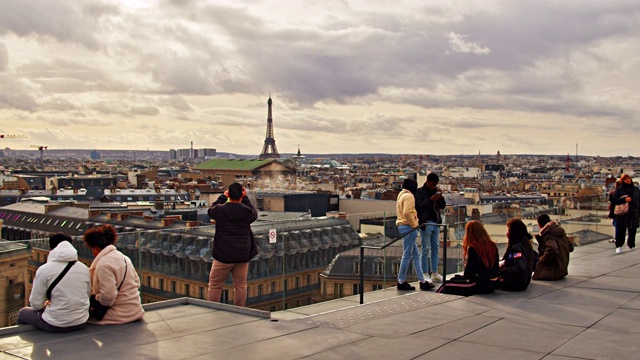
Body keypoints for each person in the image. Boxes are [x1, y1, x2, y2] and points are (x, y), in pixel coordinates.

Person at [18, 233, 90, 332]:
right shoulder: (83, 268)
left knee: (23, 313)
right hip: (81, 321)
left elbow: (35, 304)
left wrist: (47, 305)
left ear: (51, 248)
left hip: (55, 324)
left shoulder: (44, 269)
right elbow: (87, 294)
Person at [207, 182, 259, 306]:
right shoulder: (246, 212)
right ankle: (240, 310)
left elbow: (211, 209)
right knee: (240, 285)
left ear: (229, 194)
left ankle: (212, 309)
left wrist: (223, 197)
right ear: (241, 195)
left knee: (215, 285)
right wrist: (245, 197)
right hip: (242, 254)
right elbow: (254, 213)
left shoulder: (220, 210)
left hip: (223, 254)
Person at [83, 224, 144, 324]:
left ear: (96, 248)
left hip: (118, 315)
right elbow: (137, 283)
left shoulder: (104, 265)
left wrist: (95, 297)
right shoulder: (124, 258)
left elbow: (108, 297)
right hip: (135, 310)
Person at [436, 220, 499, 296]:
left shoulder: (474, 248)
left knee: (446, 285)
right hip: (492, 283)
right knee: (454, 279)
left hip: (479, 284)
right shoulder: (492, 246)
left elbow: (469, 274)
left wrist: (466, 266)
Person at [396, 178, 434, 291]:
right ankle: (401, 281)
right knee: (407, 254)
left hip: (403, 225)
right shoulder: (409, 196)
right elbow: (407, 212)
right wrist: (414, 225)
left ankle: (422, 280)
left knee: (415, 254)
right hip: (408, 226)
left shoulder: (401, 195)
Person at [415, 172, 447, 284]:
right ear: (427, 182)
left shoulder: (435, 191)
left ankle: (434, 273)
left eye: (435, 185)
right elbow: (418, 207)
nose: (433, 187)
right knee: (425, 248)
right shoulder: (419, 192)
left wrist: (440, 197)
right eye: (432, 185)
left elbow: (442, 206)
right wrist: (431, 200)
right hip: (426, 223)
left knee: (435, 248)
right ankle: (424, 273)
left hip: (436, 222)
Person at [498, 218, 534, 291]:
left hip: (515, 283)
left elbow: (520, 267)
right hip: (522, 282)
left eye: (508, 231)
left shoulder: (517, 248)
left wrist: (502, 272)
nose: (507, 234)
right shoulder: (526, 244)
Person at [532, 214, 570, 280]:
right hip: (562, 268)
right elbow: (571, 247)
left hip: (553, 270)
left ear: (539, 225)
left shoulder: (548, 235)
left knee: (530, 254)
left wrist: (543, 259)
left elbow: (552, 248)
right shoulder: (559, 231)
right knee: (533, 253)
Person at [612, 174, 640, 254]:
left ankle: (631, 244)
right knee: (621, 230)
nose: (628, 180)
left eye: (629, 179)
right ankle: (619, 246)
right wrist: (624, 200)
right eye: (626, 179)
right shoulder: (619, 190)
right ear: (623, 181)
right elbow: (614, 200)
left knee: (632, 230)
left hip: (633, 212)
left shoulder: (635, 189)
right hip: (623, 213)